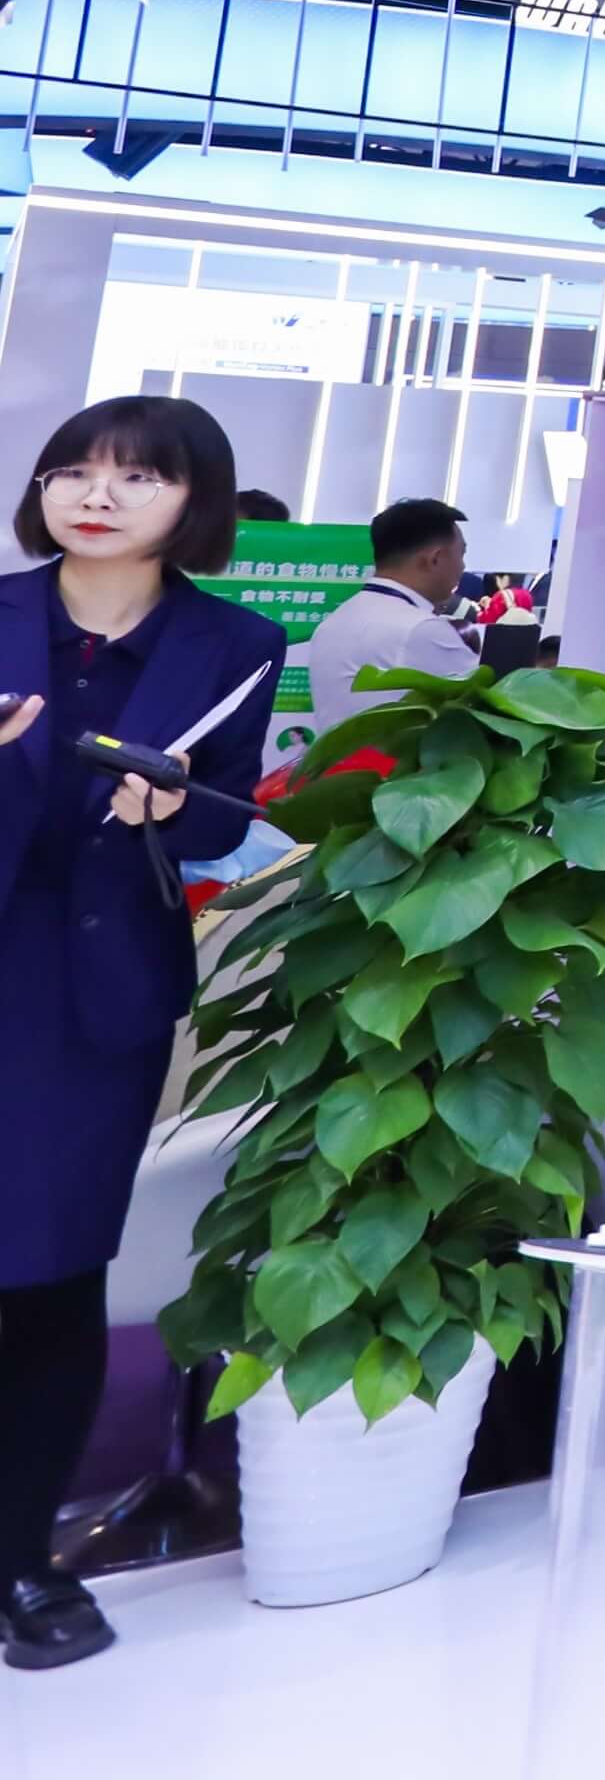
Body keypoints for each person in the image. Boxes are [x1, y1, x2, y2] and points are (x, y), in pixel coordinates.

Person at [0, 397, 289, 1672]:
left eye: (135, 476)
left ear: (193, 501)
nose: (95, 495)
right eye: (71, 471)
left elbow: (224, 816)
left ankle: (21, 1559)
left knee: (52, 1276)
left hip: (90, 1003)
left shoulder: (235, 641)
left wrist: (166, 811)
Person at [302, 497, 477, 718]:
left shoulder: (333, 621)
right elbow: (483, 704)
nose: (462, 566)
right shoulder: (421, 629)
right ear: (435, 559)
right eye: (461, 554)